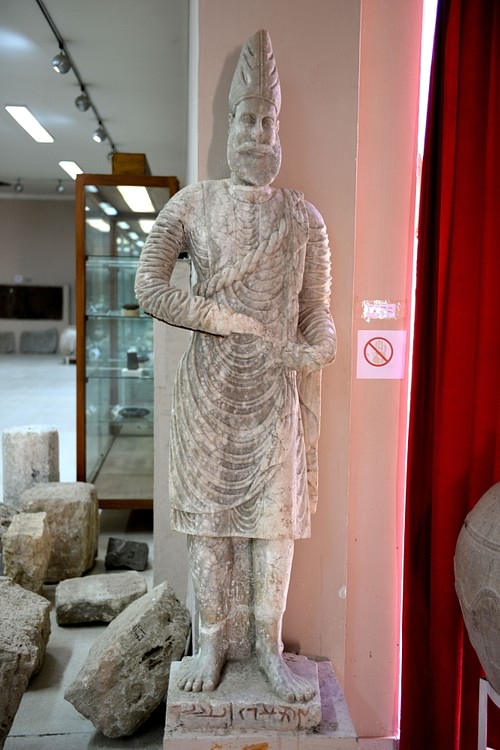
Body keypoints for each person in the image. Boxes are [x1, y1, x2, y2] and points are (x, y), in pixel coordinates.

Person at [135, 29, 336, 703]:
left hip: (273, 393)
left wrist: (322, 344)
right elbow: (150, 285)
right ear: (229, 124)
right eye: (246, 118)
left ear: (278, 126)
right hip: (208, 397)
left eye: (267, 119)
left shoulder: (304, 218)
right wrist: (217, 318)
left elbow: (317, 311)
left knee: (272, 528)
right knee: (211, 530)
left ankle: (269, 653)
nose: (257, 131)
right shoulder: (192, 203)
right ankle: (214, 645)